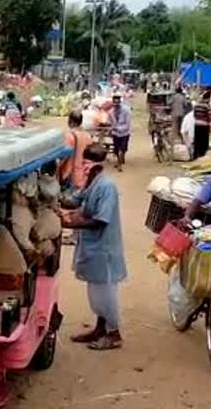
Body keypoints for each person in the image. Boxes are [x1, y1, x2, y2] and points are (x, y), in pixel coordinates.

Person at [59, 143, 127, 350]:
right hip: (92, 248)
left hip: (103, 249)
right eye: (83, 163)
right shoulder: (91, 183)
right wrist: (54, 201)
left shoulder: (106, 186)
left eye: (87, 164)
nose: (84, 168)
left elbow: (100, 220)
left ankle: (114, 334)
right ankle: (100, 328)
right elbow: (75, 201)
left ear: (97, 165)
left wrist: (69, 223)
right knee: (95, 292)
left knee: (105, 294)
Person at [58, 110, 94, 191]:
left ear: (71, 121)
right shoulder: (88, 136)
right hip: (84, 173)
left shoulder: (70, 136)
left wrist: (58, 169)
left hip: (71, 173)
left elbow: (64, 157)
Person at [108, 93, 131, 172]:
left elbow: (127, 124)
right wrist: (111, 129)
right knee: (117, 149)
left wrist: (117, 128)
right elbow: (111, 123)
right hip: (116, 134)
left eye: (117, 103)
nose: (116, 105)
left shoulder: (126, 111)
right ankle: (119, 159)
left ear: (120, 102)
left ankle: (119, 164)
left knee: (123, 148)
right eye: (114, 103)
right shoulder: (110, 112)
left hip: (124, 133)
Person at [193, 87, 211, 159]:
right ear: (207, 99)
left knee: (197, 140)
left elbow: (194, 115)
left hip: (197, 124)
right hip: (204, 125)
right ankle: (202, 155)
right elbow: (209, 116)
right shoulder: (207, 106)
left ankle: (195, 155)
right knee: (204, 141)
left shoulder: (196, 106)